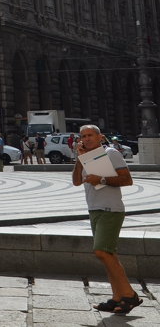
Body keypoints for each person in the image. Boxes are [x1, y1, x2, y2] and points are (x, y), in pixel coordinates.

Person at [72, 124, 142, 315]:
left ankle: (129, 294)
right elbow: (76, 181)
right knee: (109, 255)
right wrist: (80, 159)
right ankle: (117, 298)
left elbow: (127, 179)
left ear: (100, 136)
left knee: (102, 252)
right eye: (83, 136)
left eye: (90, 135)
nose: (86, 139)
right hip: (94, 209)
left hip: (111, 209)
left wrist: (101, 179)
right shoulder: (85, 156)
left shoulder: (111, 153)